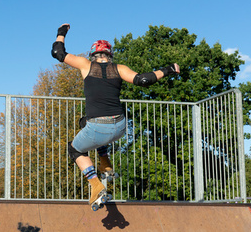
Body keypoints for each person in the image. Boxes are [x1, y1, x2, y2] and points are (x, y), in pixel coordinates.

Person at [51, 24, 180, 207]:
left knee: (75, 149)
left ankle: (95, 185)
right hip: (120, 126)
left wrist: (61, 32)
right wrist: (168, 69)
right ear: (109, 55)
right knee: (84, 122)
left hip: (98, 128)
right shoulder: (119, 68)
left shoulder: (85, 64)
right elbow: (143, 80)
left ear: (93, 55)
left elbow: (58, 52)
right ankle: (106, 164)